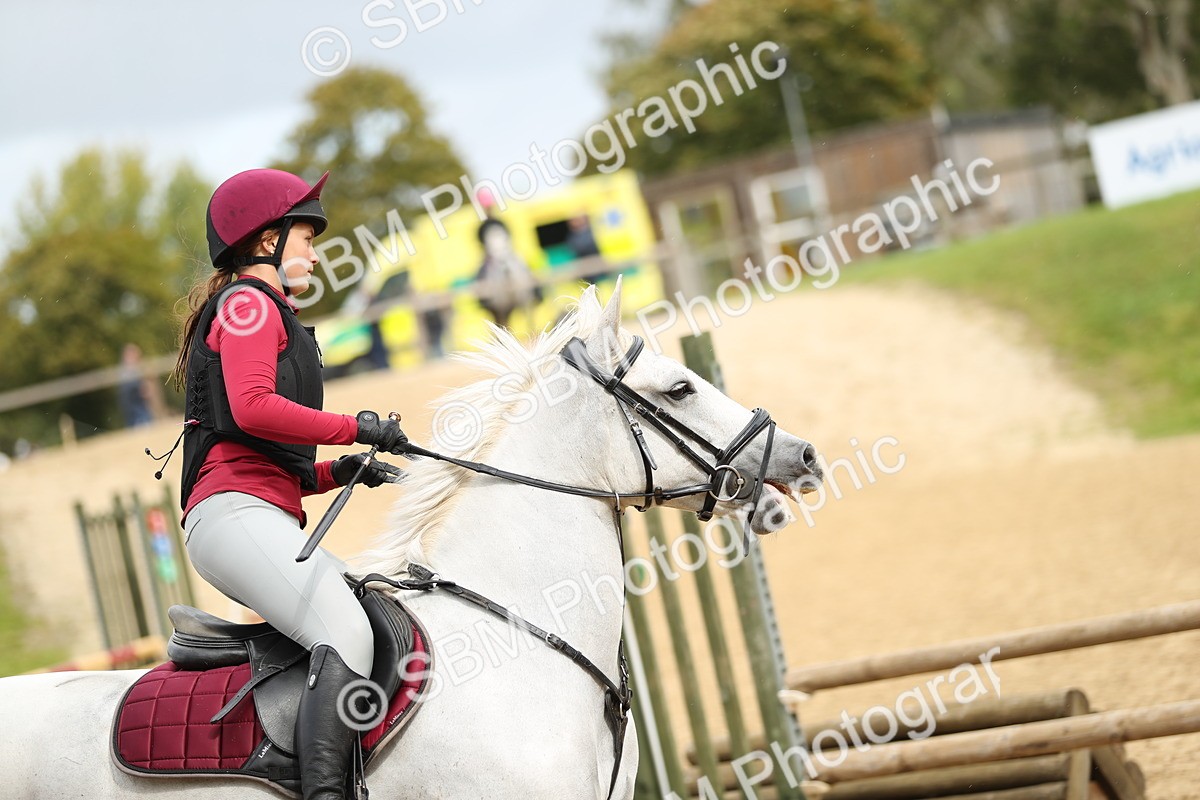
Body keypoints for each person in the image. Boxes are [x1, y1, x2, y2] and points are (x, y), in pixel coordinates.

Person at [169, 168, 410, 800]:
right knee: (348, 633)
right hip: (230, 515)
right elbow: (250, 406)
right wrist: (353, 428)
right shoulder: (249, 305)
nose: (313, 251)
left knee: (373, 611)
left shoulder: (271, 311)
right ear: (266, 239)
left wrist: (339, 470)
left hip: (254, 510)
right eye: (306, 236)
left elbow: (269, 464)